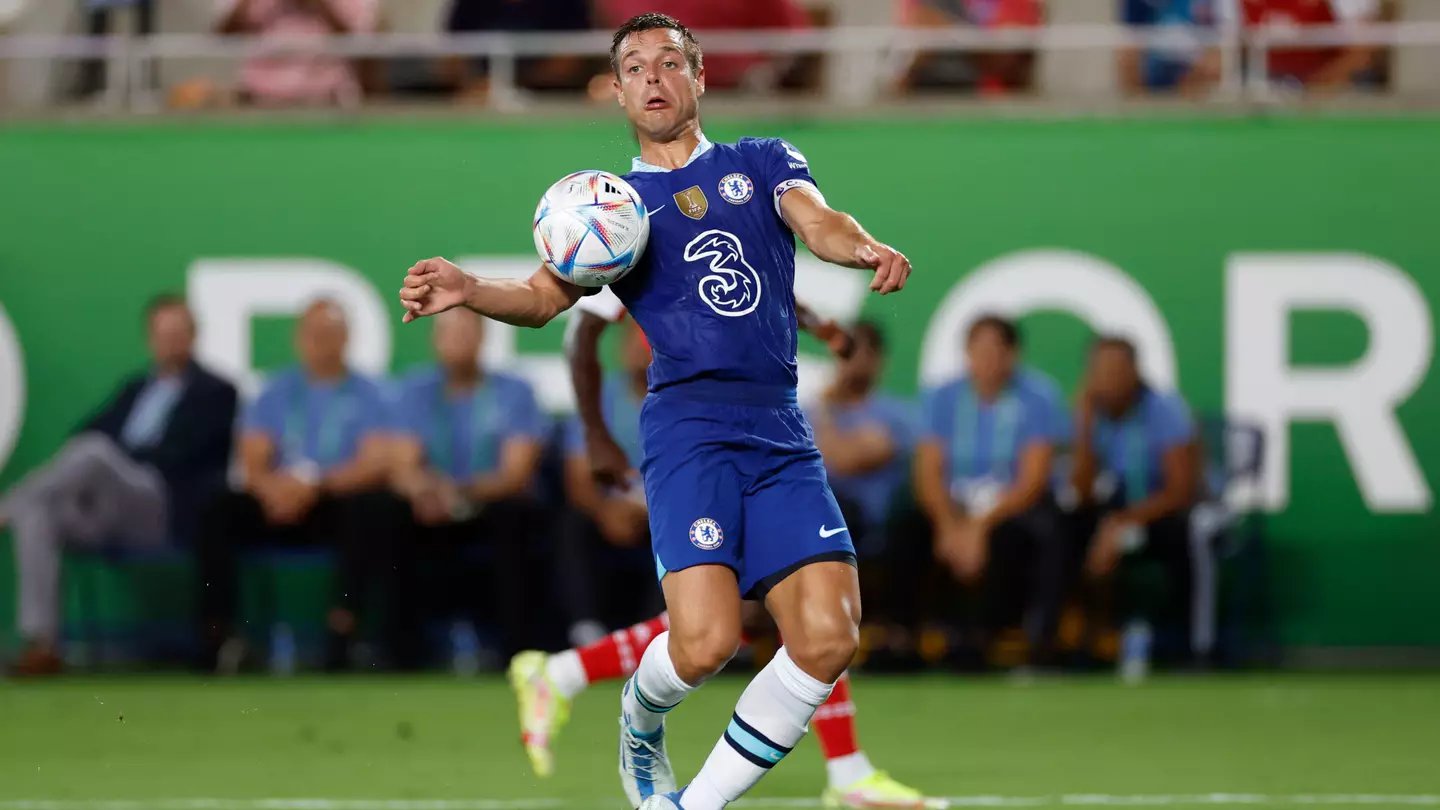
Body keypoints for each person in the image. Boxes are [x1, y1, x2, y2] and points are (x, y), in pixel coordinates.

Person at [396, 13, 912, 810]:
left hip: (778, 427)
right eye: (634, 65)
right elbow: (542, 302)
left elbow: (818, 222)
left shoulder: (760, 161)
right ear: (618, 91)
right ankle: (639, 723)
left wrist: (864, 245)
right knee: (704, 643)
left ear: (698, 79)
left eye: (669, 61)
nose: (653, 76)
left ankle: (693, 806)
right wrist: (471, 290)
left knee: (829, 638)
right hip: (690, 430)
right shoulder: (613, 207)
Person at [507, 294, 935, 807]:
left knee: (795, 609)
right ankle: (845, 772)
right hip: (693, 455)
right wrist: (596, 431)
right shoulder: (629, 233)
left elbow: (754, 280)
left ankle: (565, 675)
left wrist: (823, 327)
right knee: (723, 626)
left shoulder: (736, 230)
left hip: (757, 443)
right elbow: (579, 320)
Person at [0, 295, 236, 677]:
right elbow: (84, 433)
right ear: (150, 339)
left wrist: (116, 458)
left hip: (159, 509)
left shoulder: (217, 392)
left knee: (95, 454)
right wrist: (110, 461)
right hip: (105, 510)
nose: (171, 341)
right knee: (36, 512)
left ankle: (5, 506)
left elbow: (176, 454)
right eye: (163, 334)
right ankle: (42, 645)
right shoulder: (135, 388)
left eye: (179, 333)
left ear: (193, 336)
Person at [194, 299, 395, 672]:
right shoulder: (275, 391)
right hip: (275, 502)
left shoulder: (370, 394)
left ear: (346, 339)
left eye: (330, 334)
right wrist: (276, 490)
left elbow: (374, 463)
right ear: (299, 339)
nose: (321, 342)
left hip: (332, 502)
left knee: (372, 507)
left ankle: (343, 631)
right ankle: (219, 637)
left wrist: (313, 486)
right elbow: (252, 461)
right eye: (313, 334)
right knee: (216, 507)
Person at [387, 308, 549, 669]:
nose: (457, 342)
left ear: (481, 338)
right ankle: (400, 652)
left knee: (515, 517)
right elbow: (402, 467)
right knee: (388, 514)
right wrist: (427, 490)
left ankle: (517, 651)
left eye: (465, 332)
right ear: (435, 340)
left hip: (491, 503)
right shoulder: (414, 391)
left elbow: (515, 473)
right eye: (448, 333)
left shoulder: (514, 392)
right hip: (431, 506)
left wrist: (459, 492)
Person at [913, 315, 1067, 670]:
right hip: (955, 504)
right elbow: (928, 471)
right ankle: (904, 637)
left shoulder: (1038, 398)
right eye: (978, 350)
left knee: (1025, 537)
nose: (987, 360)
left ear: (1013, 354)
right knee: (908, 532)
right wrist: (949, 526)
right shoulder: (943, 397)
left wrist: (980, 527)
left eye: (996, 350)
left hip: (1008, 507)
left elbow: (1033, 480)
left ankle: (1006, 640)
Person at [1072, 336, 1200, 664]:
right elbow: (1082, 493)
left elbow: (1181, 490)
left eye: (1116, 370)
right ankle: (1080, 643)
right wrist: (1083, 428)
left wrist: (1122, 524)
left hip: (1159, 512)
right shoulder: (1091, 414)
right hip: (1113, 512)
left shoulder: (1165, 409)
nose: (1108, 379)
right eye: (1100, 371)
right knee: (1063, 533)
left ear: (1134, 372)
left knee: (1181, 536)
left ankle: (1184, 647)